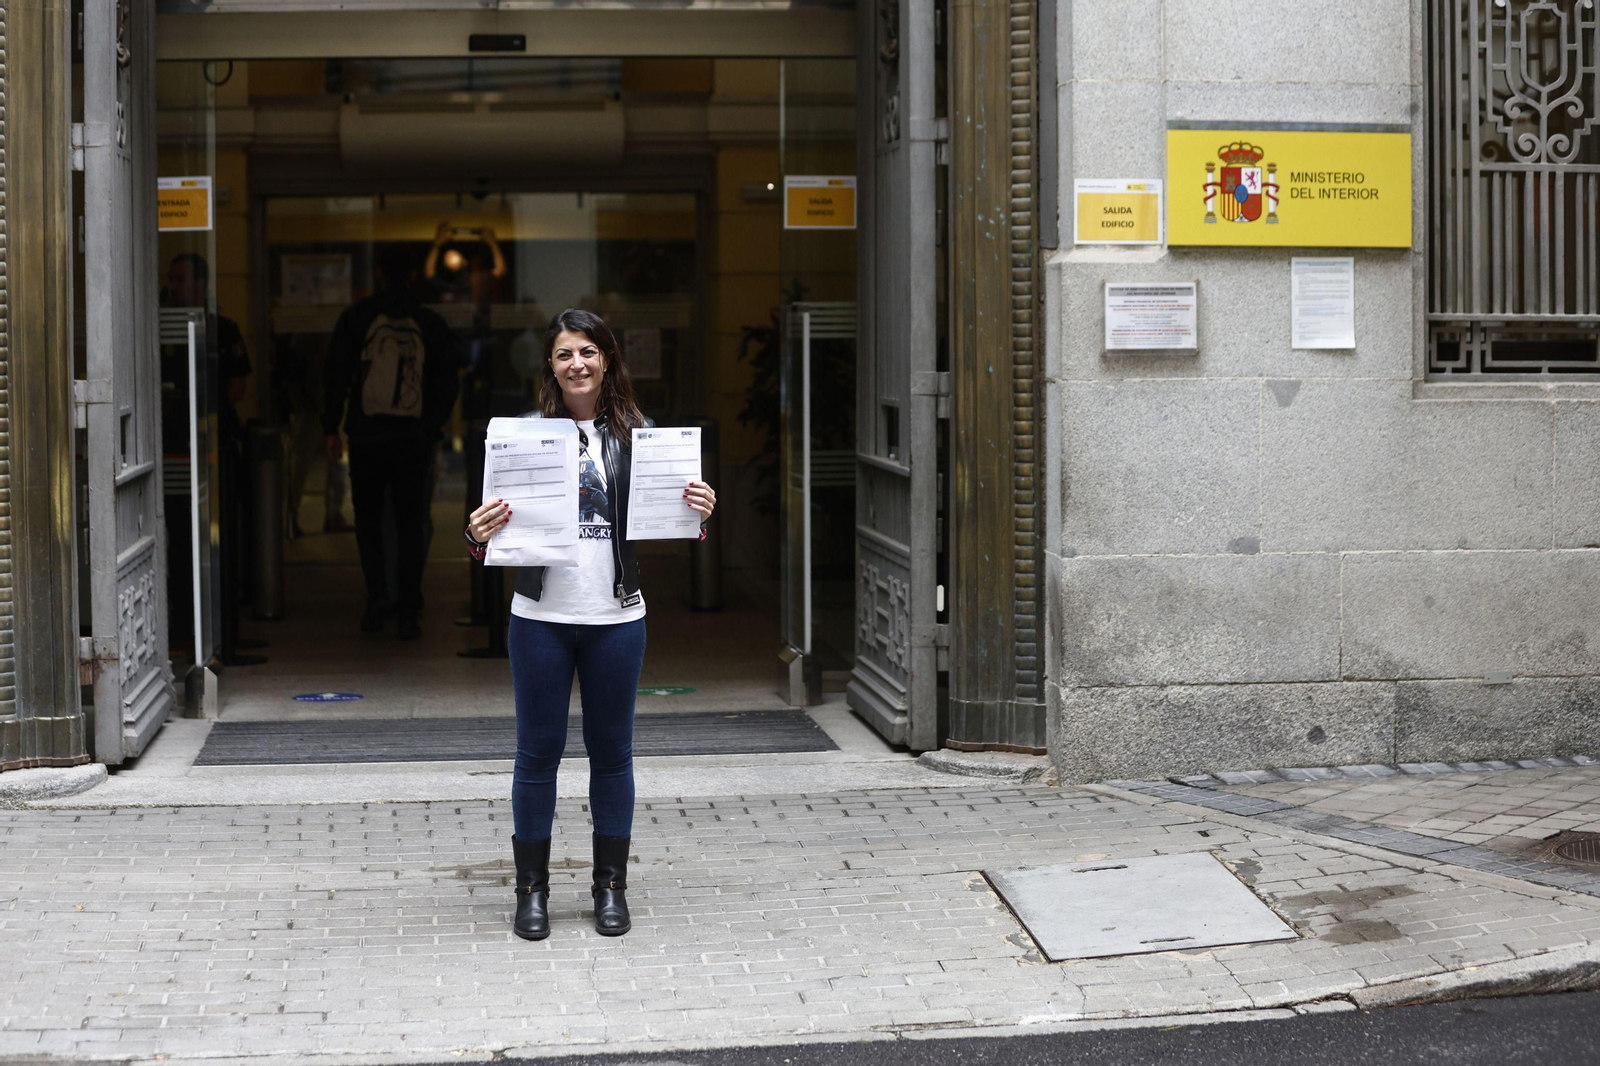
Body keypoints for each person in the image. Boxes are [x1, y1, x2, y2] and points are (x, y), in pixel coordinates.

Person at [464, 309, 716, 941]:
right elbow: (486, 535)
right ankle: (532, 893)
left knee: (612, 757)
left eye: (588, 352)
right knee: (536, 756)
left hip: (616, 618)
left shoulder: (640, 435)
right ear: (549, 365)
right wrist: (475, 534)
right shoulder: (522, 436)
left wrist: (699, 511)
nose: (576, 364)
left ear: (606, 359)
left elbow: (673, 519)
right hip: (541, 619)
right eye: (563, 354)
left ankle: (610, 889)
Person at [323, 245, 460, 640]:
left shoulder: (358, 317)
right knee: (410, 523)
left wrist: (330, 426)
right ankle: (408, 608)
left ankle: (376, 598)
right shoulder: (428, 321)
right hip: (412, 439)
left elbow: (336, 374)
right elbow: (446, 382)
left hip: (367, 436)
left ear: (379, 272)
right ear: (413, 275)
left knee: (367, 521)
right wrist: (430, 428)